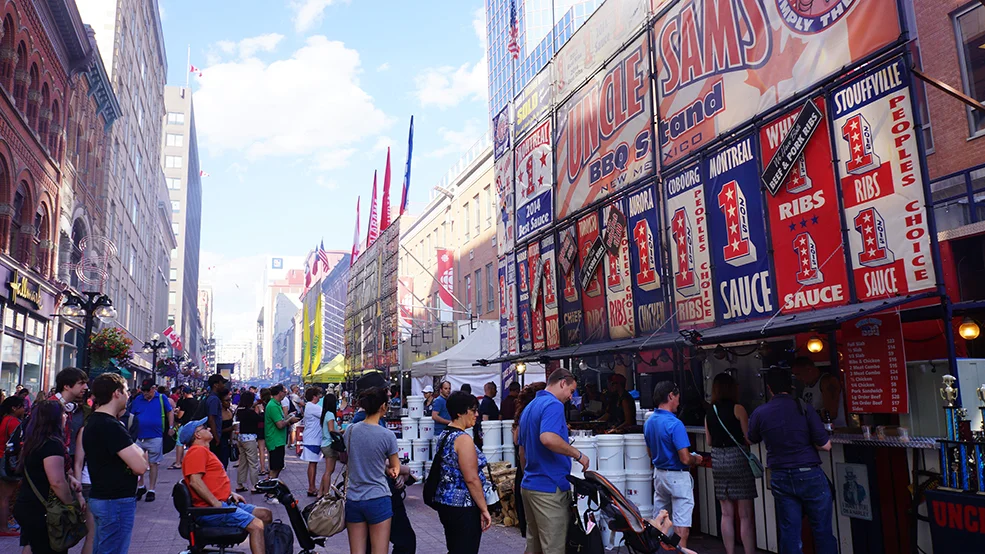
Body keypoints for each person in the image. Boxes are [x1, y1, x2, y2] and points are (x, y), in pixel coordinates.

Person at [748, 369, 835, 554]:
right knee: (822, 530)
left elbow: (751, 438)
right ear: (791, 386)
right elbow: (826, 445)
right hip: (809, 474)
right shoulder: (803, 408)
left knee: (789, 532)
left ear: (770, 388)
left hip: (780, 475)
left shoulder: (760, 412)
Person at [180, 418, 274, 554]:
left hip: (223, 504)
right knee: (257, 525)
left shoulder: (202, 452)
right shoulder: (197, 452)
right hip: (212, 510)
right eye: (205, 427)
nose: (209, 429)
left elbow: (210, 481)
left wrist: (229, 493)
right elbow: (195, 481)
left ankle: (262, 547)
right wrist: (215, 503)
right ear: (197, 435)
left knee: (265, 514)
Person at [518, 369, 586, 554]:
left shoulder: (530, 406)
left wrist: (529, 474)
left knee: (534, 546)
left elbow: (521, 450)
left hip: (530, 486)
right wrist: (578, 454)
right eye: (571, 391)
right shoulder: (553, 405)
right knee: (553, 547)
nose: (571, 397)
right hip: (549, 487)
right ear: (563, 382)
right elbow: (547, 438)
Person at [84, 373, 148, 554]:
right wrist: (140, 455)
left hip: (103, 497)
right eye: (126, 391)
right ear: (116, 393)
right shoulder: (110, 425)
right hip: (115, 500)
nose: (128, 395)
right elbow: (141, 466)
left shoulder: (95, 421)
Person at [12, 401, 84, 554]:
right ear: (54, 419)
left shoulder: (33, 442)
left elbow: (40, 471)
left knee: (34, 545)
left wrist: (70, 478)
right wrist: (70, 505)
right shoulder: (52, 444)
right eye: (63, 414)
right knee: (50, 548)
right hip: (42, 509)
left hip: (28, 504)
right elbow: (57, 482)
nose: (65, 417)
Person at [434, 391, 494, 554]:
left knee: (455, 548)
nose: (476, 414)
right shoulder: (463, 439)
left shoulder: (445, 434)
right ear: (460, 412)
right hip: (463, 506)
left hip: (446, 502)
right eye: (473, 410)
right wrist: (484, 508)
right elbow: (471, 478)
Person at [645, 381, 702, 549]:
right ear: (671, 396)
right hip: (677, 476)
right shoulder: (675, 424)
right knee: (680, 527)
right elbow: (684, 458)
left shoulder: (649, 422)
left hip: (659, 475)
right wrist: (695, 459)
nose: (678, 401)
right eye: (677, 397)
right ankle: (680, 551)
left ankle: (659, 551)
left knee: (661, 523)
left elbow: (650, 453)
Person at [343, 386, 400, 554]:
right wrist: (389, 470)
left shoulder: (350, 431)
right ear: (383, 406)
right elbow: (395, 467)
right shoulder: (387, 435)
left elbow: (353, 457)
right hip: (378, 497)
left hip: (353, 497)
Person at [704, 374, 756, 554]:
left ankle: (730, 552)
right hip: (738, 460)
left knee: (726, 513)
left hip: (718, 460)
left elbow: (709, 441)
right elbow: (748, 438)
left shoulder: (710, 412)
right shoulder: (738, 409)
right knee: (745, 515)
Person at [128, 378, 174, 502]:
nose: (145, 393)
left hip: (155, 435)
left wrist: (171, 427)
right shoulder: (138, 399)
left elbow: (170, 412)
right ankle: (141, 486)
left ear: (154, 388)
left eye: (148, 390)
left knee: (153, 463)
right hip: (139, 436)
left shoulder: (161, 398)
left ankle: (152, 489)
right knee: (138, 462)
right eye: (143, 391)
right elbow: (131, 415)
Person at [512, 382, 546, 539]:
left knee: (531, 532)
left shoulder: (523, 414)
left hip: (524, 472)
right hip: (529, 472)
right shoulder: (530, 414)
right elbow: (520, 446)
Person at [48, 367, 89, 474]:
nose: (86, 387)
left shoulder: (64, 406)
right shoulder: (52, 407)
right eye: (81, 383)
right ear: (66, 386)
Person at [791, 357, 846, 428]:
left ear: (809, 369)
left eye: (798, 374)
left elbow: (831, 413)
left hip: (834, 430)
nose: (798, 378)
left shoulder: (827, 382)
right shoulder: (807, 387)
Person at [0, 396, 25, 537]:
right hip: (7, 462)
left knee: (3, 496)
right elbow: (18, 445)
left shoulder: (4, 419)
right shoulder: (14, 422)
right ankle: (4, 527)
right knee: (6, 496)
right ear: (14, 408)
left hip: (1, 458)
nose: (24, 409)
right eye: (21, 406)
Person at [265, 384, 300, 480]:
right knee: (275, 468)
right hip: (274, 440)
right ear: (280, 393)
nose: (285, 394)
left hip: (278, 440)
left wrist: (288, 418)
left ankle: (272, 486)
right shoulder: (273, 406)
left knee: (278, 466)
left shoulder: (277, 404)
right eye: (284, 392)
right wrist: (290, 420)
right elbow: (280, 424)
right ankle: (270, 489)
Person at [235, 391, 263, 493]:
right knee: (253, 463)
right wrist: (261, 410)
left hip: (241, 438)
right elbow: (260, 419)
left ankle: (239, 484)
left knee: (243, 462)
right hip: (250, 439)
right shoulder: (250, 412)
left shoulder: (240, 410)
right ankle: (255, 485)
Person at [301, 387, 324, 496]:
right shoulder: (313, 407)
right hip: (312, 439)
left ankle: (312, 486)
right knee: (312, 463)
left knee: (313, 463)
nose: (320, 397)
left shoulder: (309, 406)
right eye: (318, 395)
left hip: (312, 438)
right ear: (314, 396)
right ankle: (311, 487)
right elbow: (325, 414)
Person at [172, 387, 199, 470]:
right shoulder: (197, 401)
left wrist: (176, 413)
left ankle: (178, 462)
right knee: (193, 443)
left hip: (185, 424)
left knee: (180, 442)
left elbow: (180, 415)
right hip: (195, 424)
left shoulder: (184, 402)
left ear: (184, 393)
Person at [203, 374, 229, 463]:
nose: (223, 385)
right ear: (216, 385)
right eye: (222, 383)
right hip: (215, 437)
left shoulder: (213, 398)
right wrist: (216, 438)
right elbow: (211, 419)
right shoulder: (214, 399)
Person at [319, 393, 340, 497]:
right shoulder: (331, 415)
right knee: (329, 471)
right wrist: (341, 432)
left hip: (325, 444)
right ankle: (326, 494)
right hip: (329, 445)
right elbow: (332, 430)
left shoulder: (325, 414)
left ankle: (320, 492)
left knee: (328, 471)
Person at [219, 389, 235, 468]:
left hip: (229, 441)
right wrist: (231, 428)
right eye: (226, 400)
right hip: (221, 441)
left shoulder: (230, 411)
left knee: (226, 462)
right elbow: (217, 429)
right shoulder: (219, 413)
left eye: (230, 400)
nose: (229, 402)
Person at [257, 388, 271, 476]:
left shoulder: (259, 405)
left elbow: (256, 417)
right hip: (269, 428)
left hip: (260, 428)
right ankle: (270, 467)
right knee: (269, 449)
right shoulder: (271, 404)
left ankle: (262, 468)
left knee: (261, 449)